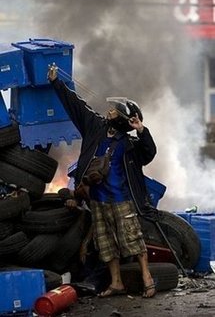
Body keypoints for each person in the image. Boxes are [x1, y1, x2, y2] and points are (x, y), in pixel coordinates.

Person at [48, 65, 157, 298]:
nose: (110, 111)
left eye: (116, 110)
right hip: (97, 199)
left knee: (133, 240)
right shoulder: (95, 127)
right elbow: (75, 105)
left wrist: (142, 131)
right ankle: (116, 283)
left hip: (122, 200)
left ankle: (148, 278)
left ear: (124, 119)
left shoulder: (130, 145)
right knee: (106, 243)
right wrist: (56, 82)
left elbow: (149, 154)